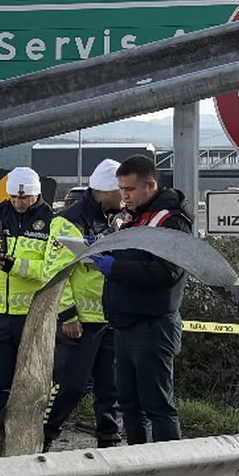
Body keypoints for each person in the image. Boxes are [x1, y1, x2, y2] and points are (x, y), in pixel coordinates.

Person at [92, 154, 193, 444]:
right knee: (129, 405)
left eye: (130, 190)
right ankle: (140, 465)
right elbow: (134, 259)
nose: (125, 196)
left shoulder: (170, 220)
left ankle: (171, 471)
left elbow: (166, 273)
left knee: (157, 406)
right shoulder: (134, 218)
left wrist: (114, 268)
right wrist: (104, 252)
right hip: (125, 325)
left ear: (150, 185)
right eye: (121, 190)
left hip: (152, 326)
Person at [0, 166, 53, 457]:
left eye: (25, 198)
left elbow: (51, 269)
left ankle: (32, 438)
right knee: (0, 379)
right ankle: (3, 436)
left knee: (31, 381)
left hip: (32, 315)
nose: (19, 203)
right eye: (14, 198)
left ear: (36, 193)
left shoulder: (52, 221)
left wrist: (16, 266)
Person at [41, 159, 124, 451]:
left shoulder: (112, 218)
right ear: (107, 190)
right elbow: (53, 271)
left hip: (109, 317)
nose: (124, 196)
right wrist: (67, 314)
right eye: (120, 190)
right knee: (69, 386)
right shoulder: (69, 221)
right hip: (81, 322)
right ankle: (43, 437)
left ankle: (109, 443)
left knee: (110, 387)